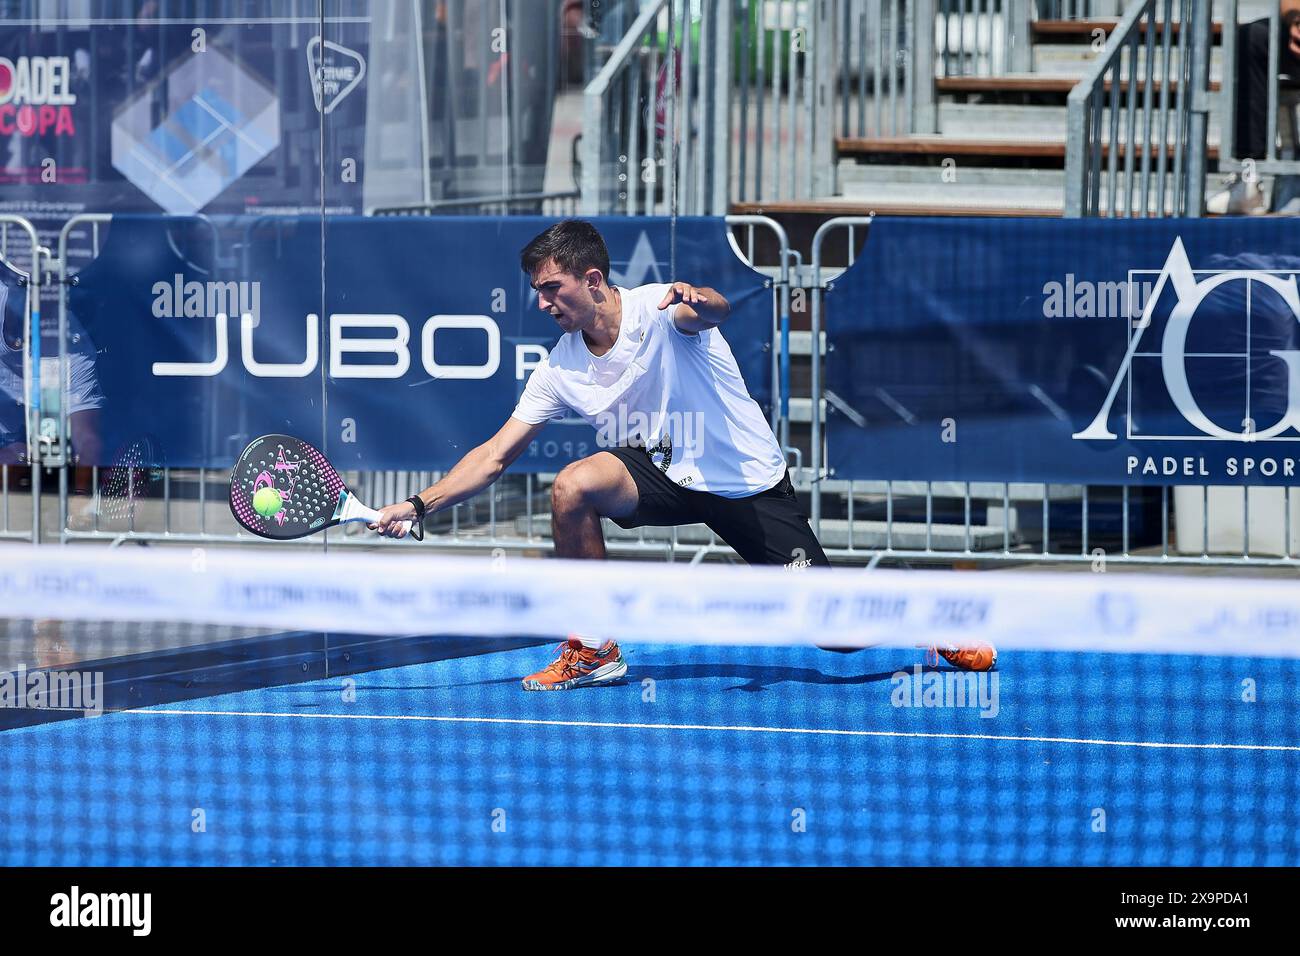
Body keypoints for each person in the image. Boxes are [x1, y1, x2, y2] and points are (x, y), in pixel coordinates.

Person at [372, 220, 994, 688]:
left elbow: (714, 310)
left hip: (743, 481)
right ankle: (594, 646)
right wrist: (418, 503)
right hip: (665, 470)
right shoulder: (561, 367)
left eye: (551, 288)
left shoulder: (663, 312)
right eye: (537, 291)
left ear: (591, 281)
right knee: (572, 486)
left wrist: (697, 297)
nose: (542, 303)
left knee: (836, 634)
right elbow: (494, 456)